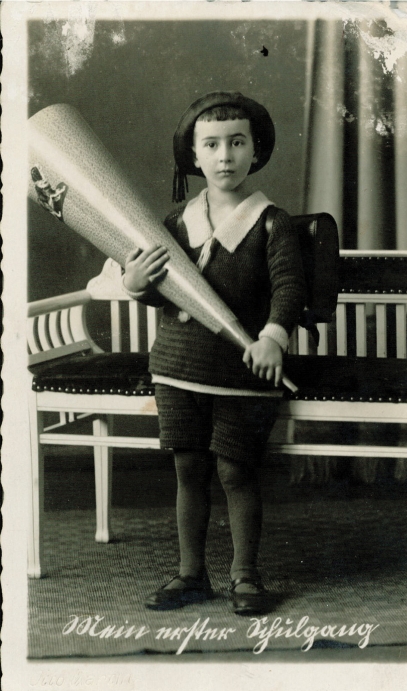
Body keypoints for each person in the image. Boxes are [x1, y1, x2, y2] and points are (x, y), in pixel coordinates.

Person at [122, 91, 305, 615]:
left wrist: (273, 336)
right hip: (177, 367)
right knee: (189, 468)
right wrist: (135, 283)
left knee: (235, 471)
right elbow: (159, 287)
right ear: (194, 157)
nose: (225, 156)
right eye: (212, 145)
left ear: (256, 150)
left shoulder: (272, 221)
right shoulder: (175, 223)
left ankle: (245, 576)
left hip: (241, 372)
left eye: (237, 142)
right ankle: (191, 573)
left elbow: (288, 287)